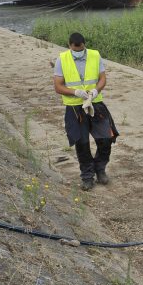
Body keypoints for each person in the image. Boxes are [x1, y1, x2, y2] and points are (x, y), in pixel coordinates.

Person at [53, 33, 119, 191]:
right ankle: (87, 176)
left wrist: (96, 90)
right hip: (75, 108)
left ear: (84, 45)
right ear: (69, 46)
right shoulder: (62, 59)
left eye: (81, 49)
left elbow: (102, 78)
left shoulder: (95, 56)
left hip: (95, 104)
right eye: (75, 49)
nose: (78, 52)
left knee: (106, 138)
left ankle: (100, 168)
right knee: (82, 144)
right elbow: (58, 86)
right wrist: (75, 92)